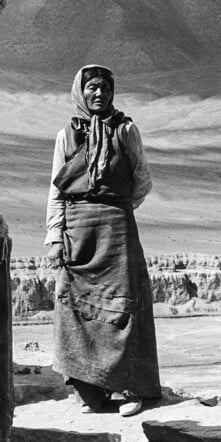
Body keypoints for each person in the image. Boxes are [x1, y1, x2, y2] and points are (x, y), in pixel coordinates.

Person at [45, 64, 161, 417]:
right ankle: (91, 389)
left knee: (124, 305)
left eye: (105, 88)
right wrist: (54, 236)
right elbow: (56, 190)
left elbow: (141, 179)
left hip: (116, 229)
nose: (99, 94)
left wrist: (116, 208)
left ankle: (134, 390)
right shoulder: (68, 134)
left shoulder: (126, 129)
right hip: (78, 231)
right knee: (76, 306)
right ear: (81, 92)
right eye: (92, 87)